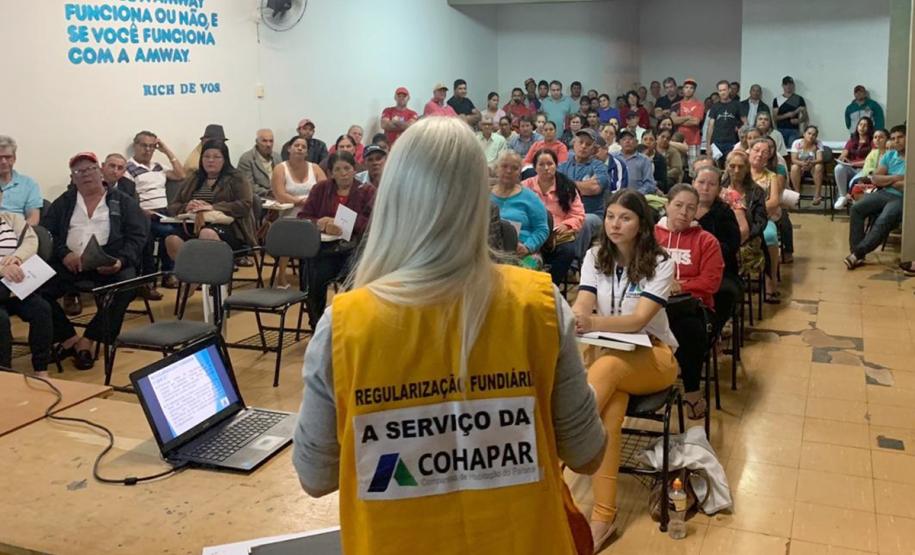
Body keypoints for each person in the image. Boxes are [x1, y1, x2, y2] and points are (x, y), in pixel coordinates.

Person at [292, 116, 605, 555]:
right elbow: (587, 452)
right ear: (480, 200)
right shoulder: (540, 305)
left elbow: (316, 476)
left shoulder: (344, 324)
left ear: (393, 199)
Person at [572, 189, 678, 550]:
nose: (615, 224)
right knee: (608, 415)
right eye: (611, 216)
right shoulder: (593, 256)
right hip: (608, 358)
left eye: (626, 218)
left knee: (607, 369)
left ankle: (552, 465)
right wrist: (577, 316)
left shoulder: (662, 262)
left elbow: (637, 321)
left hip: (655, 358)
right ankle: (604, 517)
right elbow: (584, 300)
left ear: (642, 224)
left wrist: (591, 321)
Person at [41, 152, 147, 371]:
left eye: (90, 169)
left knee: (126, 286)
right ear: (73, 177)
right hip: (70, 263)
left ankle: (90, 340)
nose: (86, 175)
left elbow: (137, 237)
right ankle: (69, 339)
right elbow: (49, 234)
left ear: (100, 172)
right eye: (79, 171)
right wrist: (64, 254)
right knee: (36, 288)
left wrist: (120, 261)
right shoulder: (65, 202)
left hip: (108, 263)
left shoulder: (122, 201)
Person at [654, 184, 724, 419]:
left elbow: (710, 283)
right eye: (679, 205)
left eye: (690, 208)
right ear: (667, 206)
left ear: (697, 212)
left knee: (688, 328)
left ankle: (692, 390)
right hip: (654, 302)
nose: (684, 212)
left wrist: (681, 286)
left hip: (694, 306)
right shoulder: (651, 236)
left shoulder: (707, 241)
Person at [297, 151, 375, 328]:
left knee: (355, 278)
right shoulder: (320, 189)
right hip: (325, 250)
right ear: (331, 172)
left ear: (354, 170)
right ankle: (317, 325)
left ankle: (351, 323)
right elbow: (303, 217)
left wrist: (342, 222)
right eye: (338, 169)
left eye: (347, 168)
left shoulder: (366, 191)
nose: (343, 173)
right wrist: (320, 223)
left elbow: (372, 223)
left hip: (355, 249)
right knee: (314, 274)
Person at [165, 141, 257, 269]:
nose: (210, 161)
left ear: (225, 159)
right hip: (194, 225)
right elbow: (172, 206)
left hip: (230, 228)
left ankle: (210, 279)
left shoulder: (237, 178)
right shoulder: (194, 177)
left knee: (207, 233)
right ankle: (193, 276)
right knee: (172, 239)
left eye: (216, 157)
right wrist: (187, 206)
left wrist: (213, 207)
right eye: (206, 156)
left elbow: (245, 205)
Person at [124, 130, 186, 295]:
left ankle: (168, 274)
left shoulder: (158, 167)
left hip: (164, 212)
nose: (148, 150)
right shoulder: (128, 168)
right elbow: (128, 198)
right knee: (155, 236)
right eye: (144, 145)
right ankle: (148, 280)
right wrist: (142, 211)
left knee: (175, 232)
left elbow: (181, 175)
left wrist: (165, 150)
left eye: (152, 146)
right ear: (135, 146)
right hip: (143, 213)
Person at [0, 186, 52, 377]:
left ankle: (41, 369)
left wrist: (17, 259)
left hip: (16, 285)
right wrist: (3, 268)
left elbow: (31, 240)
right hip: (4, 282)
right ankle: (5, 374)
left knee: (42, 309)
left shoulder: (12, 219)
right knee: (1, 320)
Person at [846, 125, 906, 270]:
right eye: (893, 138)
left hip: (902, 198)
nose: (896, 141)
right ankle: (857, 254)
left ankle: (857, 254)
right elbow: (876, 179)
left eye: (900, 138)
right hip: (885, 193)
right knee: (856, 209)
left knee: (884, 219)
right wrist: (897, 178)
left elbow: (907, 185)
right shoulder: (889, 156)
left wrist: (889, 179)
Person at [523, 148, 586, 285]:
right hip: (531, 235)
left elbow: (578, 214)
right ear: (534, 167)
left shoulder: (567, 187)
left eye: (550, 164)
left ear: (556, 165)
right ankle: (528, 286)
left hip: (556, 237)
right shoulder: (525, 186)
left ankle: (549, 286)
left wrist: (567, 225)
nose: (546, 168)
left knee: (568, 251)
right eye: (541, 164)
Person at [694, 166, 742, 337]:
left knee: (724, 293)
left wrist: (704, 252)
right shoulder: (683, 210)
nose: (705, 188)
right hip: (684, 271)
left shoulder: (724, 214)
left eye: (711, 184)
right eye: (701, 182)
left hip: (721, 272)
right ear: (693, 183)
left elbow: (731, 246)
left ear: (719, 189)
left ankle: (711, 335)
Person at [490, 150, 549, 261]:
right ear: (496, 169)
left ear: (520, 172)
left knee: (531, 266)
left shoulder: (530, 197)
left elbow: (542, 229)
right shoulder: (484, 195)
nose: (508, 171)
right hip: (490, 250)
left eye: (514, 168)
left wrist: (528, 247)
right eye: (504, 166)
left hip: (524, 253)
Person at [558, 129, 612, 247]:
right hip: (565, 213)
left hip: (592, 215)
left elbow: (594, 188)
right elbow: (555, 187)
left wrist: (566, 184)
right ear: (574, 144)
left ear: (594, 149)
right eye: (580, 142)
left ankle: (575, 261)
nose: (583, 146)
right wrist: (583, 186)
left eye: (588, 144)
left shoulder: (599, 167)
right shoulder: (563, 166)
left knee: (585, 221)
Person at [747, 140, 783, 301]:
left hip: (763, 218)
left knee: (770, 237)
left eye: (765, 152)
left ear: (768, 157)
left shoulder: (771, 176)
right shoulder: (739, 171)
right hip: (738, 218)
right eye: (756, 150)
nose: (760, 154)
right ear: (749, 151)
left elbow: (774, 201)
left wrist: (754, 211)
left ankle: (771, 282)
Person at [0, 136, 42, 225]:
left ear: (14, 158)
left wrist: (20, 233)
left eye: (7, 157)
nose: (3, 161)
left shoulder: (29, 184)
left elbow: (34, 218)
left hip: (18, 232)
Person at [834, 117, 874, 210]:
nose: (862, 127)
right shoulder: (852, 140)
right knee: (839, 168)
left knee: (853, 182)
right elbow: (843, 154)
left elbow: (871, 161)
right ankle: (842, 196)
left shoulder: (872, 141)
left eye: (865, 125)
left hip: (865, 169)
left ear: (869, 128)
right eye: (860, 125)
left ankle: (853, 202)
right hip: (851, 168)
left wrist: (853, 163)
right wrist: (842, 159)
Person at [671, 78, 704, 172]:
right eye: (686, 87)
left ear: (694, 90)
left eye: (691, 88)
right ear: (683, 89)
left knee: (694, 170)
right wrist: (688, 117)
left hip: (694, 141)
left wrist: (680, 119)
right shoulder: (676, 105)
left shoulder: (699, 105)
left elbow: (696, 122)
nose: (688, 89)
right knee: (678, 168)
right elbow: (673, 120)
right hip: (678, 140)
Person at [237, 129, 281, 200]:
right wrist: (268, 192)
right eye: (264, 141)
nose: (268, 144)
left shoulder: (277, 157)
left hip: (278, 197)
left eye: (271, 141)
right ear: (257, 142)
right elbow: (247, 185)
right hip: (258, 200)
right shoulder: (246, 159)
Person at [706, 80, 741, 159]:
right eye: (720, 90)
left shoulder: (737, 105)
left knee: (730, 166)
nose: (722, 92)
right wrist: (708, 146)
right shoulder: (715, 107)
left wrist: (738, 127)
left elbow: (745, 123)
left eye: (724, 90)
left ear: (729, 90)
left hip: (732, 142)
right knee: (716, 167)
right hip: (716, 143)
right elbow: (710, 126)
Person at [790, 125, 825, 204]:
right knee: (794, 167)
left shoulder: (818, 143)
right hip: (800, 166)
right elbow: (793, 159)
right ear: (804, 134)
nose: (811, 136)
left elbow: (820, 159)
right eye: (809, 133)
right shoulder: (797, 143)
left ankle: (817, 194)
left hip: (813, 166)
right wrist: (802, 163)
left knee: (819, 166)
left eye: (814, 135)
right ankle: (797, 193)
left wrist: (811, 163)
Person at [616, 129, 656, 195]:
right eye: (624, 139)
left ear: (636, 142)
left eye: (630, 139)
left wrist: (636, 194)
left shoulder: (645, 160)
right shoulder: (613, 157)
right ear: (619, 142)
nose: (627, 141)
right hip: (615, 198)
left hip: (636, 199)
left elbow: (650, 184)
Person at [772, 76, 806, 147]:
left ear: (793, 85)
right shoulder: (777, 99)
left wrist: (799, 120)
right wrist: (787, 115)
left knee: (792, 151)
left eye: (790, 84)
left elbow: (805, 116)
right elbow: (774, 118)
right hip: (780, 130)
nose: (788, 86)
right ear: (782, 86)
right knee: (781, 151)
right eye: (786, 84)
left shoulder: (799, 99)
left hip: (794, 130)